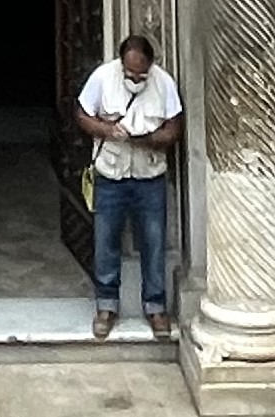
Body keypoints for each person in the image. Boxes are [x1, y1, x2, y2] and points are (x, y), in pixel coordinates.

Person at [73, 30, 183, 339]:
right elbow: (82, 114)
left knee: (153, 241)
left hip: (149, 176)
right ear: (121, 63)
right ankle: (106, 306)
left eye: (140, 74)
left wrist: (149, 139)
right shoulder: (103, 77)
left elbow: (175, 127)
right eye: (129, 73)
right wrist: (106, 130)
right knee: (106, 241)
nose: (134, 79)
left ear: (150, 65)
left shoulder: (164, 83)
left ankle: (156, 307)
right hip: (111, 174)